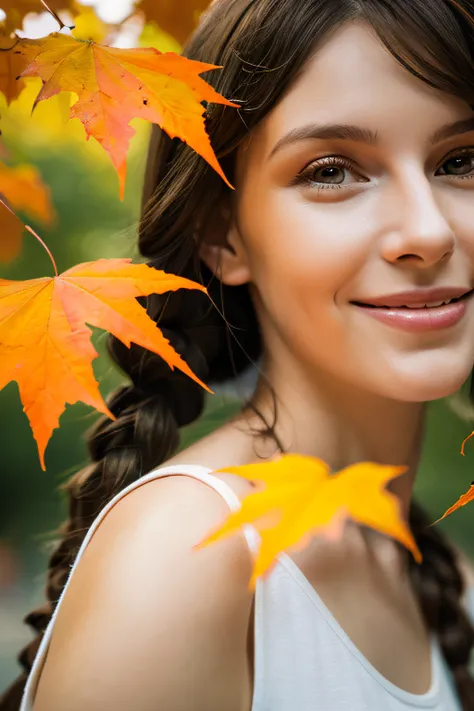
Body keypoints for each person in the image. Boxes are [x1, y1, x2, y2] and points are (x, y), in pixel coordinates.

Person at [2, 0, 474, 708]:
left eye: (461, 160)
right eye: (331, 170)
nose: (427, 230)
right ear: (222, 234)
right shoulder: (182, 558)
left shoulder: (444, 577)